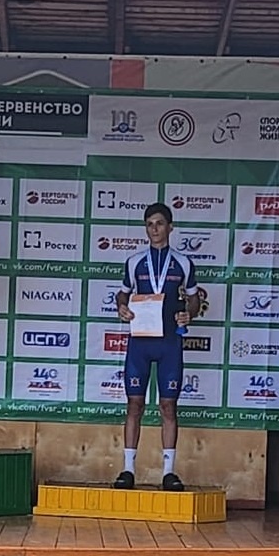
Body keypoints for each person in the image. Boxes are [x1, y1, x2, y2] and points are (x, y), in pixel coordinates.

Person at [113, 203, 199, 491]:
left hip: (169, 342)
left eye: (160, 223)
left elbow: (194, 298)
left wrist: (190, 314)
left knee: (168, 406)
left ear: (170, 227)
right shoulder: (134, 261)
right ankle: (128, 470)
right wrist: (122, 308)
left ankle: (168, 473)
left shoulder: (183, 262)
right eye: (149, 224)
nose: (154, 229)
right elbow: (122, 295)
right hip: (140, 342)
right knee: (134, 404)